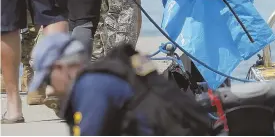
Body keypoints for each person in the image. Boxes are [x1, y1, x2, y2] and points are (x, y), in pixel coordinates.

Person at [29, 33, 211, 135]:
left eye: (47, 79)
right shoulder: (103, 76)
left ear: (61, 68)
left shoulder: (92, 85)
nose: (50, 88)